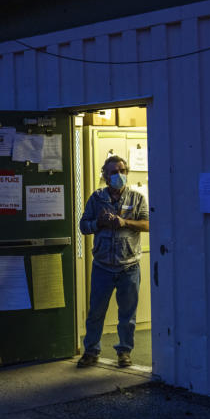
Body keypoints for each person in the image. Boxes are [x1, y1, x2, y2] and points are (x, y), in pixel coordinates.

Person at [77, 155, 149, 368]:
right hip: (102, 266)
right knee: (96, 312)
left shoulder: (138, 198)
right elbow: (83, 226)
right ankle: (91, 351)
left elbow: (147, 224)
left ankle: (124, 352)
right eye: (114, 172)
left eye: (122, 171)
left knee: (128, 315)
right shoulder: (96, 198)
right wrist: (98, 223)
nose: (119, 175)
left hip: (129, 266)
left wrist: (124, 222)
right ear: (106, 177)